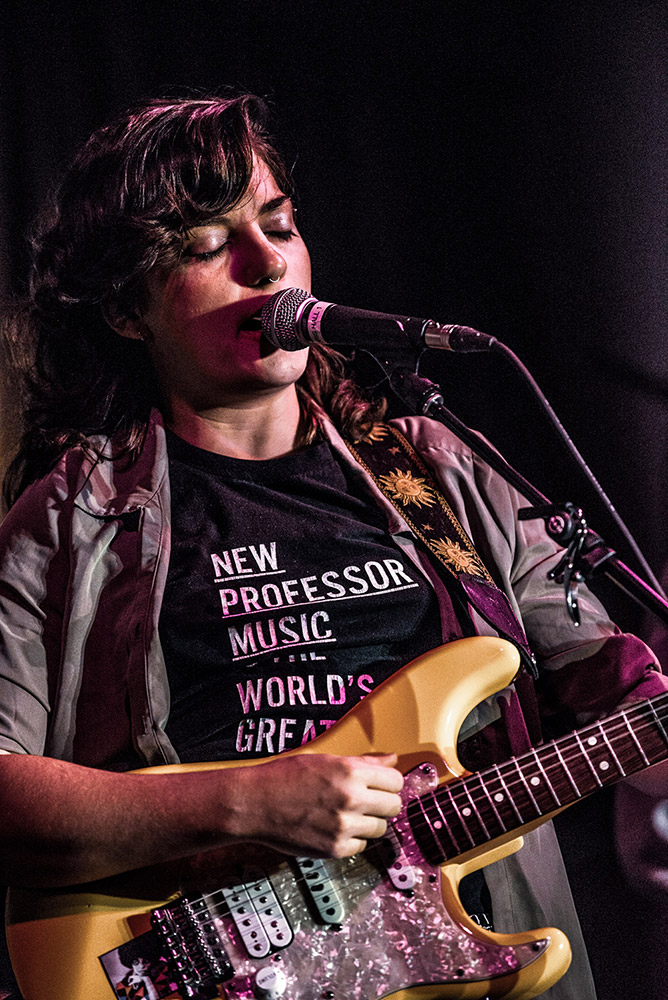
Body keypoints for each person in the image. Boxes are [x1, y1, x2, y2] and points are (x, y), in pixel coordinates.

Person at [0, 93, 665, 1000]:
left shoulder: (436, 470)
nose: (266, 261)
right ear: (127, 309)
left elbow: (610, 693)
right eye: (205, 246)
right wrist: (252, 800)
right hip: (207, 963)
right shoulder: (70, 519)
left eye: (277, 223)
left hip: (471, 951)